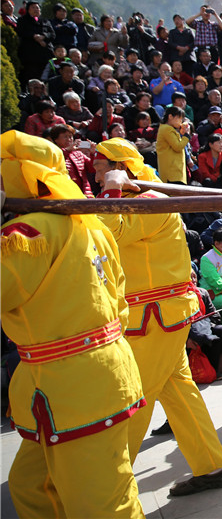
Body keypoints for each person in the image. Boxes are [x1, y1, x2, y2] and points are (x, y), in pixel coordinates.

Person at [1, 131, 144, 518]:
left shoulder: (26, 234)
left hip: (73, 387)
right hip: (87, 377)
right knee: (32, 486)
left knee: (103, 505)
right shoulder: (91, 223)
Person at [92, 138, 222, 497]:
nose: (94, 173)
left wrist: (111, 190)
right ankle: (212, 466)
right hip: (157, 318)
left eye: (100, 166)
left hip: (154, 319)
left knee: (135, 396)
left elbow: (106, 234)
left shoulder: (149, 202)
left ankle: (107, 482)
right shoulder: (136, 201)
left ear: (119, 168)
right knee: (180, 395)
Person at [48, 123, 94, 197]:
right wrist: (66, 151)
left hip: (84, 192)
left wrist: (93, 154)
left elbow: (92, 169)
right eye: (65, 137)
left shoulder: (79, 153)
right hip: (65, 193)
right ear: (56, 139)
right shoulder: (53, 153)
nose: (69, 139)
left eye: (70, 136)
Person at [156, 105, 191, 183]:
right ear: (170, 116)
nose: (181, 121)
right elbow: (177, 147)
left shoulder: (167, 129)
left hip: (173, 172)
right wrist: (186, 136)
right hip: (172, 173)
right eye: (179, 118)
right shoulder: (167, 129)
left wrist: (182, 134)